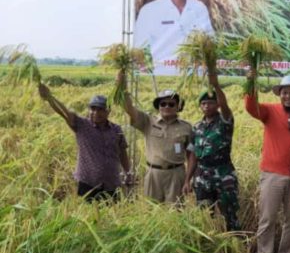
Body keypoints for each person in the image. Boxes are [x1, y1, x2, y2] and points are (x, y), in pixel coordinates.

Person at [245, 74, 290, 253]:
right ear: (279, 94)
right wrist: (251, 82)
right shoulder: (269, 111)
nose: (288, 95)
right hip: (272, 174)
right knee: (267, 218)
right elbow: (250, 107)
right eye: (285, 92)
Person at [37, 84, 130, 201]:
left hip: (112, 184)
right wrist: (50, 97)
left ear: (108, 111)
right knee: (87, 215)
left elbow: (123, 153)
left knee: (112, 216)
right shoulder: (82, 125)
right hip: (88, 184)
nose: (96, 112)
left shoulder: (116, 130)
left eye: (101, 109)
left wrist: (128, 172)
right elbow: (65, 112)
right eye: (93, 108)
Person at [118, 71, 193, 202]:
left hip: (176, 174)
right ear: (158, 107)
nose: (166, 107)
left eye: (171, 104)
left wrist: (188, 179)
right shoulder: (148, 122)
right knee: (151, 211)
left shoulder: (186, 127)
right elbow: (129, 108)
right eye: (163, 104)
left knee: (175, 213)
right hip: (153, 173)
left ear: (178, 107)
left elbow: (191, 155)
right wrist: (121, 84)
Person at [134, 0, 214, 76]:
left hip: (196, 78)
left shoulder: (199, 8)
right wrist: (146, 76)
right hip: (162, 78)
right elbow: (139, 49)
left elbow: (210, 42)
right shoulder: (149, 11)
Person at [183, 69, 241, 231]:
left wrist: (215, 85)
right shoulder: (197, 127)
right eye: (203, 103)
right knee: (204, 217)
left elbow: (225, 106)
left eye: (211, 102)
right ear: (200, 106)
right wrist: (187, 180)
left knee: (230, 214)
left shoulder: (225, 121)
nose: (207, 106)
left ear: (217, 105)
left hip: (223, 175)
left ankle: (237, 248)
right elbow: (193, 155)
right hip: (202, 176)